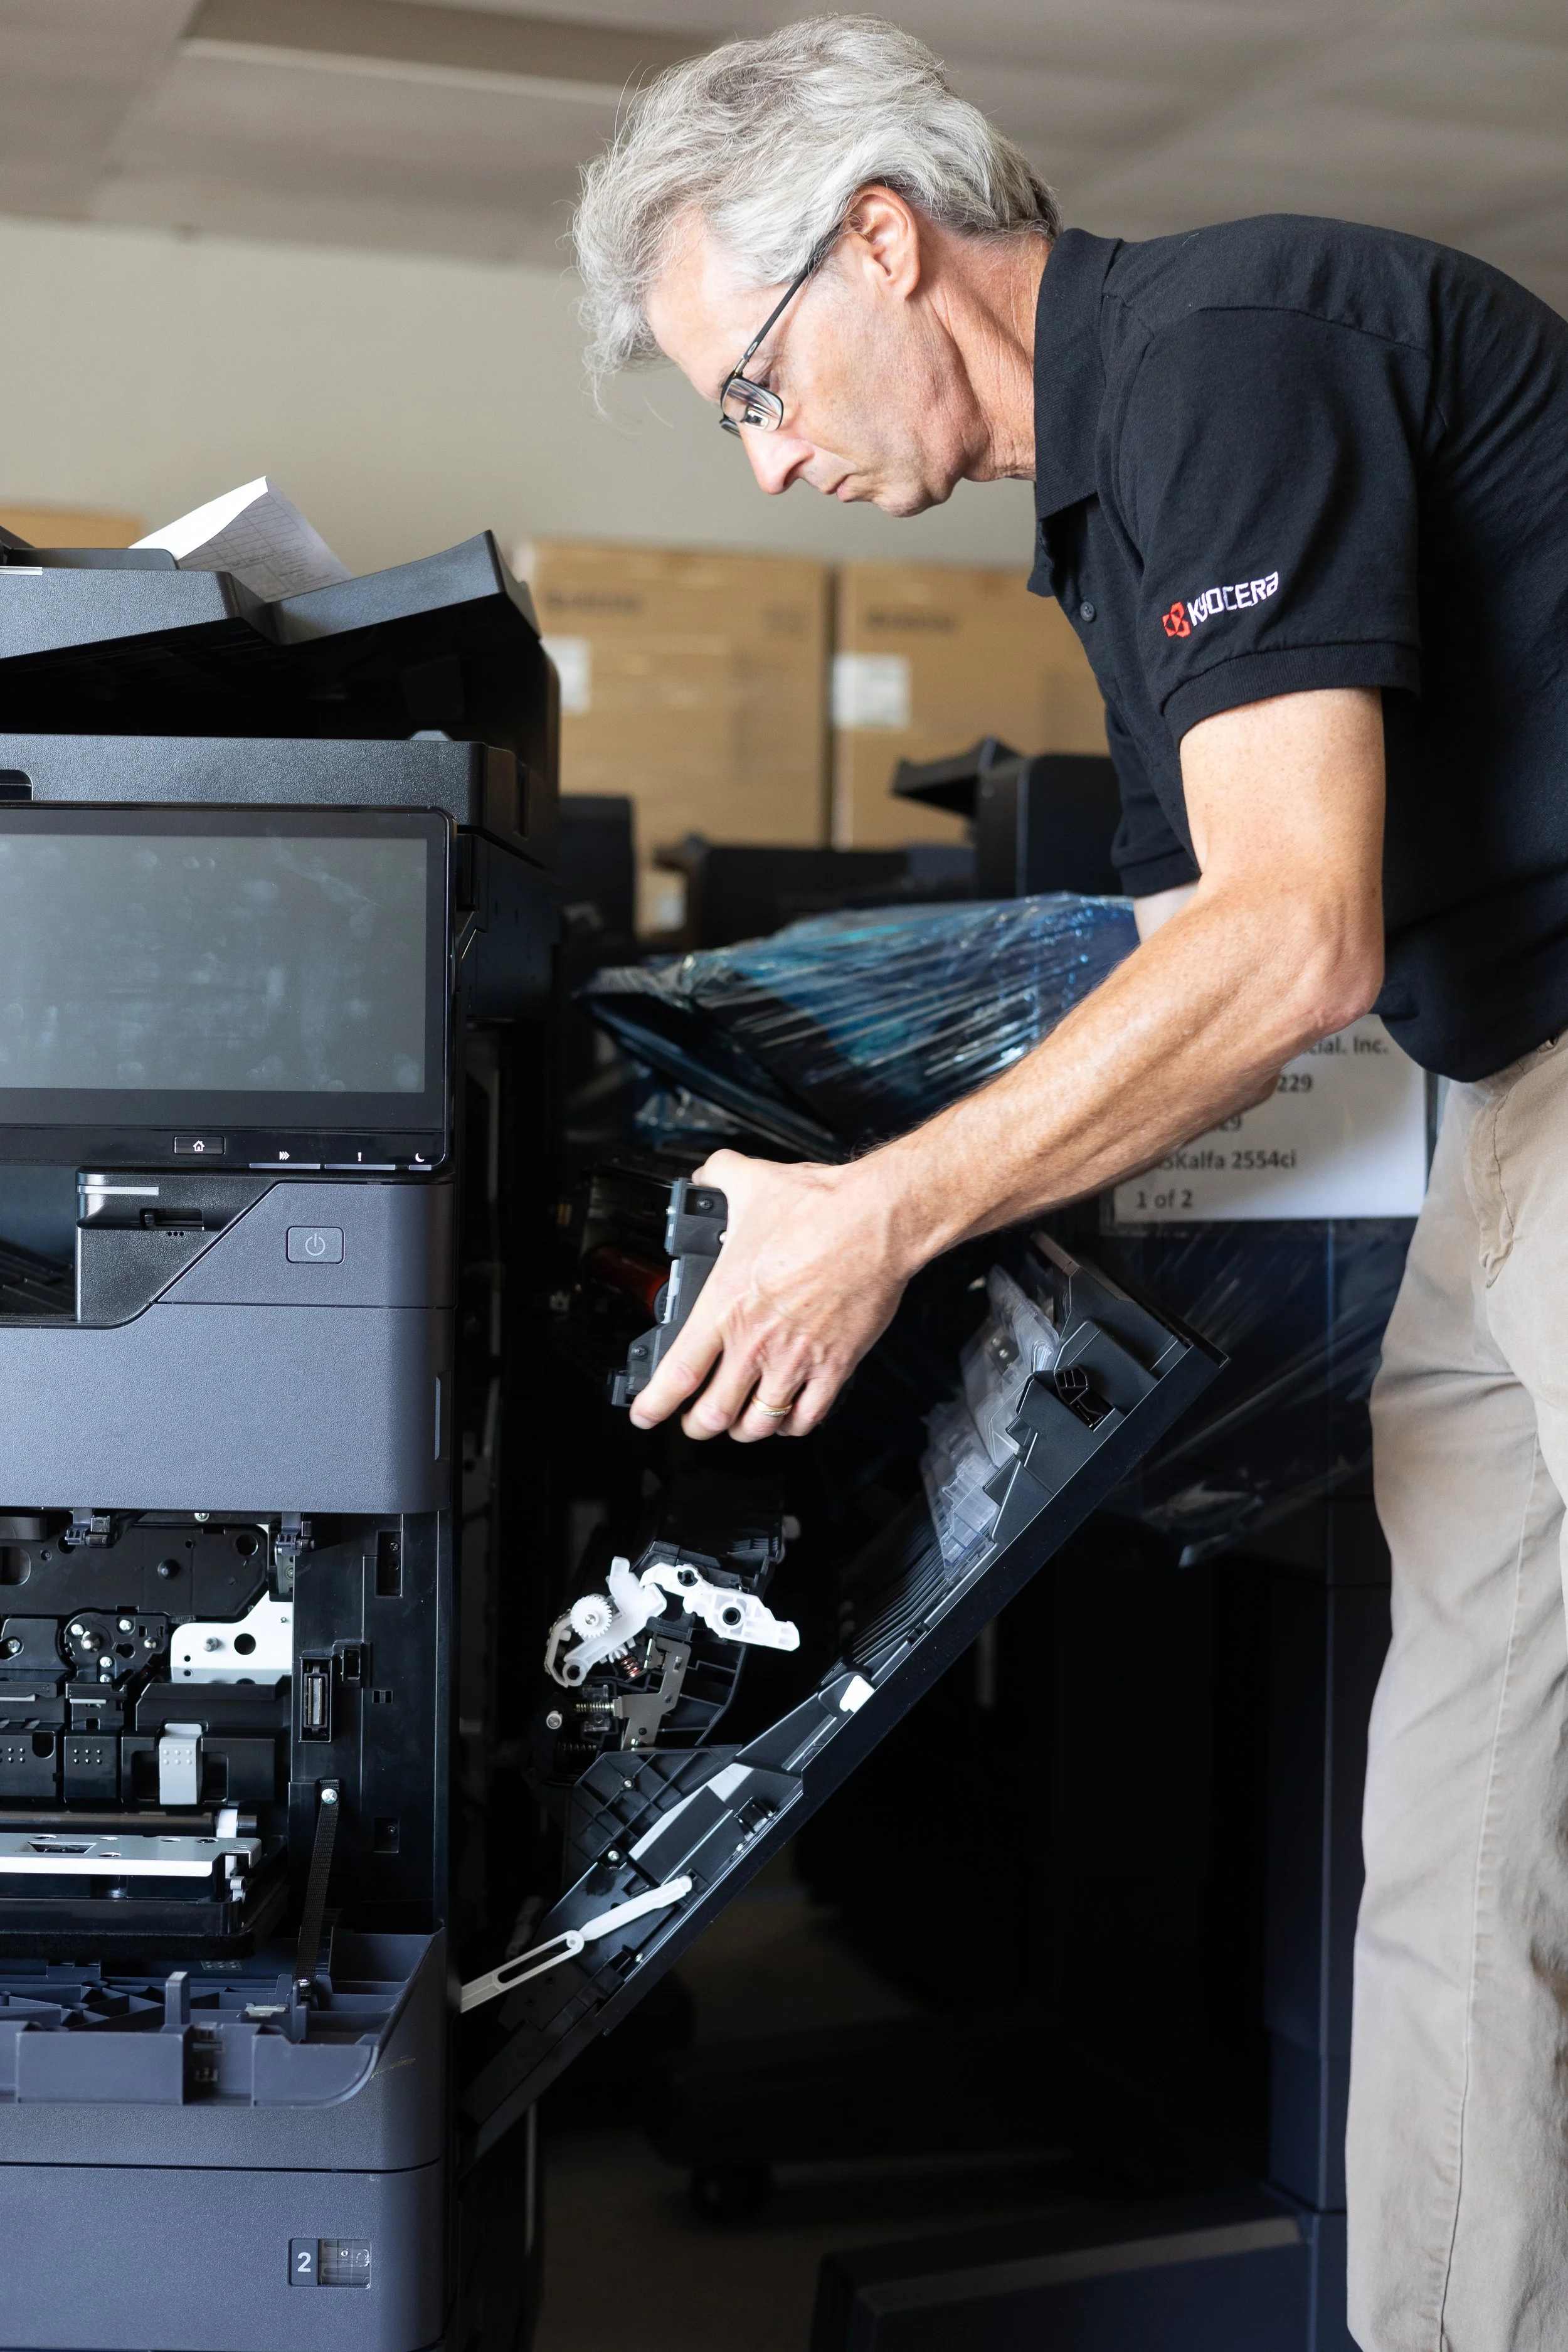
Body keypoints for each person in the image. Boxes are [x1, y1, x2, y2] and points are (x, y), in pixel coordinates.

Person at [571, 17, 1568, 2346]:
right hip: (1501, 1097)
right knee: (1457, 1851)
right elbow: (1146, 956)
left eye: (754, 386)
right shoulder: (1111, 512)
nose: (772, 458)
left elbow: (1287, 932)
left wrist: (888, 1213)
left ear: (887, 245)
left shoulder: (1232, 349)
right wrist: (755, 1079)